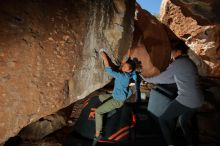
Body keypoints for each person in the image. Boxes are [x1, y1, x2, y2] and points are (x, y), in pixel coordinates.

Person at [140, 40, 204, 146]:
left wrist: (146, 78)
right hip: (199, 100)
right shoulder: (188, 62)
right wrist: (152, 80)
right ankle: (191, 143)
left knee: (163, 119)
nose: (170, 54)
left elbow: (162, 77)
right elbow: (173, 79)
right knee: (183, 122)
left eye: (172, 51)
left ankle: (170, 144)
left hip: (187, 100)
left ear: (178, 51)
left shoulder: (178, 63)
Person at [92, 49, 138, 146]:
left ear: (129, 70)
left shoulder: (122, 76)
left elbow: (109, 70)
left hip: (118, 100)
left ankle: (97, 134)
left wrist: (104, 56)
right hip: (116, 96)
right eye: (123, 65)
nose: (123, 67)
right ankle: (111, 111)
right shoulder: (128, 74)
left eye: (125, 67)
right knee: (101, 97)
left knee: (98, 112)